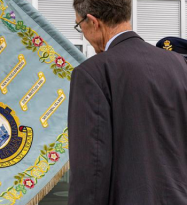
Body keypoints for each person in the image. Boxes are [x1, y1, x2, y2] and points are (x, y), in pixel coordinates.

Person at [68, 0, 187, 205]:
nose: (84, 36)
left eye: (79, 26)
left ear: (93, 21)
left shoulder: (92, 72)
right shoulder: (178, 65)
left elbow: (91, 167)